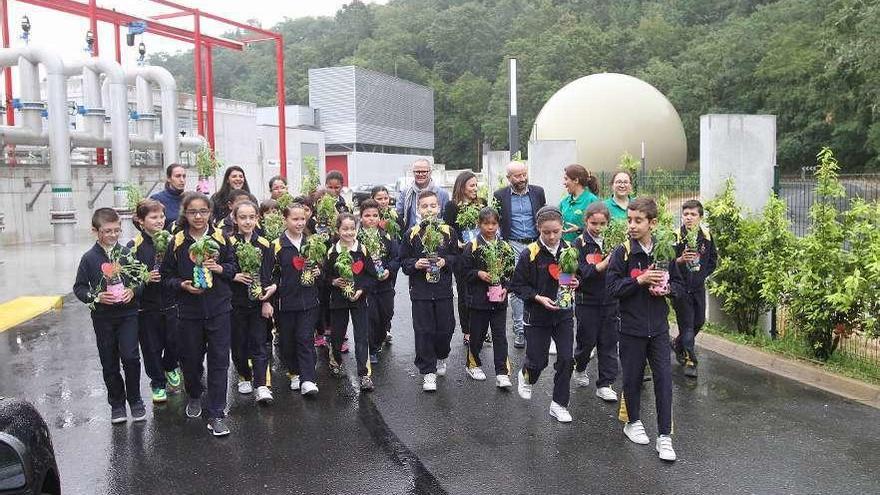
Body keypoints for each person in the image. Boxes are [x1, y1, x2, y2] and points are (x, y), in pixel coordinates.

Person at [606, 197, 684, 462]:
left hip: (660, 329)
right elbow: (612, 288)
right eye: (629, 220)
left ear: (653, 223)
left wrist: (668, 289)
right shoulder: (623, 252)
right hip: (630, 328)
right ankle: (633, 422)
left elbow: (681, 287)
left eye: (638, 220)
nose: (632, 225)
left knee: (664, 380)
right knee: (632, 378)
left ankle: (665, 436)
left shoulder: (665, 251)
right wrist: (638, 280)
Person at [161, 192, 236, 437]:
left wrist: (220, 268)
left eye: (203, 211)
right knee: (191, 361)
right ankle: (194, 393)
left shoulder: (222, 239)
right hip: (189, 312)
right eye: (193, 212)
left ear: (210, 213)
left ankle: (216, 413)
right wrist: (182, 285)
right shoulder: (177, 241)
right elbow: (166, 275)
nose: (198, 216)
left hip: (219, 310)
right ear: (185, 213)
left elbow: (234, 268)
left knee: (219, 361)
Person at [73, 208, 147, 424]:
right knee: (109, 361)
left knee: (131, 357)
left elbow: (141, 280)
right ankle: (116, 404)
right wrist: (96, 297)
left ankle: (135, 400)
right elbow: (79, 288)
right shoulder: (88, 258)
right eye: (107, 231)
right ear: (95, 231)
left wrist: (133, 291)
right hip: (103, 318)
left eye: (117, 230)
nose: (113, 235)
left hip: (128, 313)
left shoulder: (127, 254)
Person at [510, 206, 578, 423]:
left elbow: (578, 274)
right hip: (537, 316)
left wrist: (577, 282)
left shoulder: (569, 249)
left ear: (562, 229)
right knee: (538, 361)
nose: (551, 236)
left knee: (567, 359)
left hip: (564, 315)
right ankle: (526, 375)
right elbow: (517, 285)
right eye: (546, 232)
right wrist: (538, 298)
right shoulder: (529, 253)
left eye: (556, 231)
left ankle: (559, 404)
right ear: (538, 228)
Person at [400, 190, 458, 392]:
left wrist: (445, 261)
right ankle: (428, 372)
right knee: (424, 331)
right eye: (424, 206)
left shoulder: (449, 231)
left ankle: (442, 355)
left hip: (443, 290)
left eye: (433, 206)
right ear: (418, 209)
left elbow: (456, 257)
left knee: (446, 328)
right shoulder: (411, 233)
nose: (429, 210)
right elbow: (404, 262)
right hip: (421, 292)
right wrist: (416, 264)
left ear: (439, 207)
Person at [129, 200, 182, 405]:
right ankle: (157, 383)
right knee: (151, 347)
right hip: (147, 307)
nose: (159, 221)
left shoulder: (173, 241)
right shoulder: (134, 246)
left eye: (161, 216)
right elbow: (129, 278)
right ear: (141, 221)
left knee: (174, 341)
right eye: (153, 217)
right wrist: (145, 278)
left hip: (171, 302)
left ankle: (170, 366)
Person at [493, 161, 546, 349]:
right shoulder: (500, 195)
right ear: (509, 178)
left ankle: (537, 326)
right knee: (516, 287)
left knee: (539, 283)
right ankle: (520, 330)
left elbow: (544, 217)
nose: (522, 179)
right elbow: (497, 221)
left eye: (524, 174)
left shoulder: (538, 192)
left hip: (536, 243)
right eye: (517, 176)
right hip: (513, 244)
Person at [460, 207, 515, 388]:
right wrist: (479, 273)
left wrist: (506, 288)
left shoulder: (504, 246)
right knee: (477, 334)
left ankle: (502, 372)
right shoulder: (472, 246)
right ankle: (473, 364)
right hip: (479, 301)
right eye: (486, 224)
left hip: (499, 300)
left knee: (500, 335)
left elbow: (510, 273)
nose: (490, 228)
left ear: (498, 225)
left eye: (493, 224)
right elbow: (464, 272)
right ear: (479, 224)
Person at [228, 200, 276, 404]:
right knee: (238, 344)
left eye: (251, 217)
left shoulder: (265, 244)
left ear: (258, 218)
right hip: (235, 304)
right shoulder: (228, 243)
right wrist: (234, 276)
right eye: (242, 217)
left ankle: (261, 385)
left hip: (258, 303)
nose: (247, 221)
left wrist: (267, 300)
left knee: (259, 343)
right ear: (235, 219)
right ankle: (243, 375)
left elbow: (268, 274)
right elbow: (223, 271)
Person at [324, 213, 378, 391]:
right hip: (338, 300)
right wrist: (334, 281)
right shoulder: (332, 252)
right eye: (344, 229)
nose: (349, 233)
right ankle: (336, 361)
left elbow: (371, 276)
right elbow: (325, 276)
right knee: (337, 334)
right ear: (337, 230)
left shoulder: (362, 250)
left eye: (352, 229)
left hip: (359, 300)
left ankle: (364, 374)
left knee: (362, 336)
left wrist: (361, 290)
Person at [271, 202, 321, 396]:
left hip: (309, 301)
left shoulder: (312, 243)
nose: (300, 223)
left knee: (305, 338)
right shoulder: (277, 245)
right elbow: (272, 273)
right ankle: (294, 373)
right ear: (286, 220)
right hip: (285, 303)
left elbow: (321, 267)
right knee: (288, 341)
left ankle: (308, 379)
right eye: (295, 219)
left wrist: (319, 271)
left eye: (302, 219)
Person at [572, 202, 619, 402]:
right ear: (586, 221)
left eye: (602, 223)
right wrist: (599, 267)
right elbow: (577, 270)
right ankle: (580, 367)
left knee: (608, 343)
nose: (598, 228)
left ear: (608, 223)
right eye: (594, 223)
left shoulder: (614, 241)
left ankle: (605, 384)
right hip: (587, 300)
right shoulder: (579, 243)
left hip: (610, 300)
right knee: (587, 341)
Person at [672, 199, 717, 378]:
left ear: (700, 217)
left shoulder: (706, 236)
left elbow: (712, 259)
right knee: (687, 325)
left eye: (693, 214)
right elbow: (666, 263)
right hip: (680, 289)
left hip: (697, 288)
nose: (689, 218)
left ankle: (678, 344)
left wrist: (701, 275)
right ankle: (691, 361)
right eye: (685, 214)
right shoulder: (675, 237)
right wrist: (680, 261)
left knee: (698, 322)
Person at [442, 171, 485, 344]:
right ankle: (467, 331)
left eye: (476, 185)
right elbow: (447, 229)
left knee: (481, 291)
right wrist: (457, 242)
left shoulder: (482, 204)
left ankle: (481, 328)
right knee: (464, 292)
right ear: (462, 187)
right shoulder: (452, 206)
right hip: (461, 256)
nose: (475, 188)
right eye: (472, 185)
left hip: (480, 253)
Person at [358, 199, 400, 363]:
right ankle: (372, 348)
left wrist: (389, 270)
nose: (371, 219)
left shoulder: (386, 236)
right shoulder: (356, 239)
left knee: (385, 315)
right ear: (361, 217)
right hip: (367, 287)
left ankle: (381, 337)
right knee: (371, 317)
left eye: (375, 215)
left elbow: (396, 258)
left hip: (385, 285)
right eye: (367, 215)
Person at [396, 158, 450, 231]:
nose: (420, 174)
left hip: (436, 235)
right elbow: (398, 216)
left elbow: (446, 220)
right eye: (417, 172)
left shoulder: (442, 194)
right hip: (412, 237)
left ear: (430, 172)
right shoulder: (406, 193)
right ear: (413, 173)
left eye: (424, 171)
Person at [559, 164, 600, 243]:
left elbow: (600, 229)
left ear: (576, 180)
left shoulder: (592, 201)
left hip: (586, 249)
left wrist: (579, 229)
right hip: (566, 250)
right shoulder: (564, 202)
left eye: (566, 179)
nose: (564, 183)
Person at [151, 163, 187, 230]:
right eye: (178, 176)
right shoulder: (157, 199)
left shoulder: (189, 199)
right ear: (169, 178)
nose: (182, 180)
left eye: (184, 176)